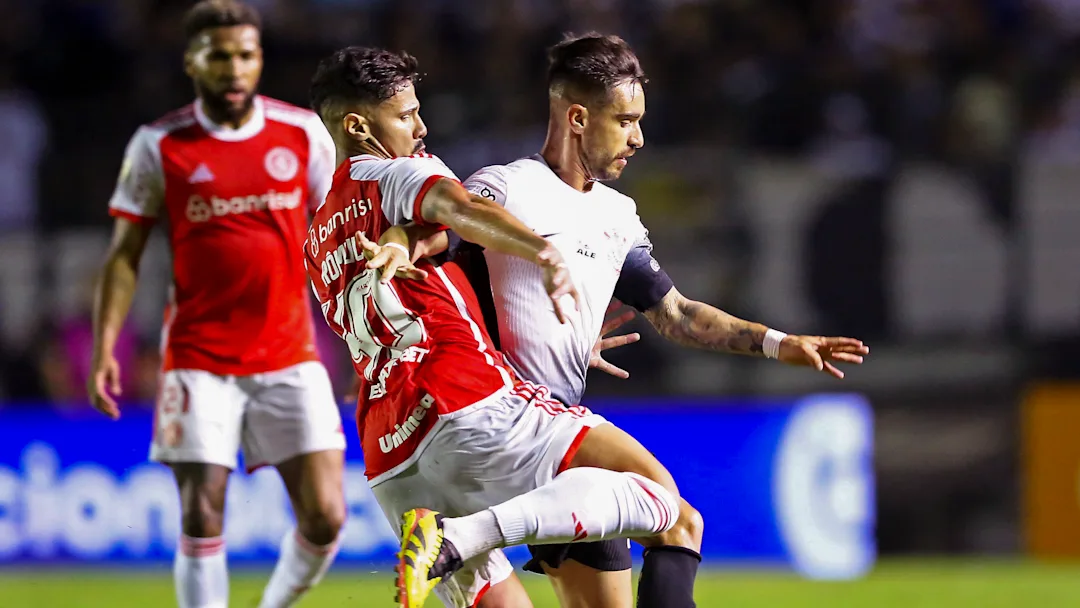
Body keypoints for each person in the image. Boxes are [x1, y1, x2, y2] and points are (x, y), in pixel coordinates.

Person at [387, 33, 871, 608]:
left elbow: (677, 313)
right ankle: (458, 537)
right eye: (625, 121)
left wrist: (777, 343)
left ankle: (456, 538)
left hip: (556, 437)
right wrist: (397, 245)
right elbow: (435, 239)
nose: (638, 138)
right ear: (576, 118)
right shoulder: (509, 187)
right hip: (508, 423)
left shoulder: (617, 216)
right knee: (672, 514)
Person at [88, 3, 346, 607]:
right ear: (191, 62)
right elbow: (124, 254)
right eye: (220, 56)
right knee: (202, 513)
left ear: (259, 60)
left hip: (290, 352)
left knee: (327, 517)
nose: (235, 69)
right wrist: (106, 347)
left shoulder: (301, 133)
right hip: (199, 358)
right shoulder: (160, 146)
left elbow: (339, 234)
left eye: (246, 55)